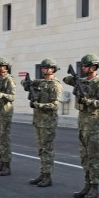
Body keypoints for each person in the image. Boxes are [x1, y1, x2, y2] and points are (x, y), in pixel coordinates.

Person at [63, 53, 99, 198]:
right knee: (84, 156)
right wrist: (75, 80)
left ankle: (94, 187)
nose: (83, 68)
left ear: (94, 67)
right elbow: (66, 79)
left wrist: (89, 101)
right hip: (82, 121)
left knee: (93, 156)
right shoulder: (82, 81)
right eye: (82, 66)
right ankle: (87, 184)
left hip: (92, 122)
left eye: (86, 66)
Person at [22, 59, 63, 187]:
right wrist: (27, 83)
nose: (44, 70)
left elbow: (55, 105)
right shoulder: (40, 82)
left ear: (53, 69)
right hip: (39, 121)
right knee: (41, 149)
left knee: (47, 150)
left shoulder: (55, 85)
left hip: (48, 122)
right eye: (43, 68)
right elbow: (25, 83)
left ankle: (47, 176)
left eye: (47, 68)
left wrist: (39, 105)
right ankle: (42, 173)